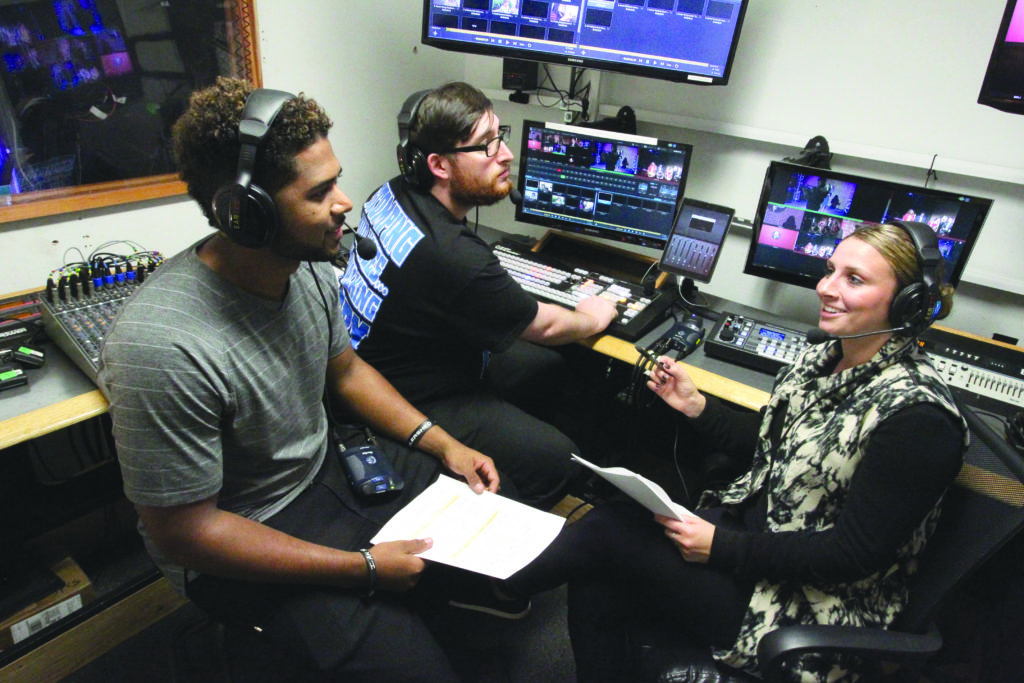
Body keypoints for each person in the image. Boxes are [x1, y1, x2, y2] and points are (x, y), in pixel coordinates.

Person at [98, 77, 507, 682]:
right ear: (247, 214)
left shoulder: (306, 265)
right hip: (242, 528)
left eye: (336, 180)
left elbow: (345, 370)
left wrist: (440, 441)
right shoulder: (161, 345)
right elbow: (188, 533)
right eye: (320, 192)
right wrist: (362, 568)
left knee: (482, 518)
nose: (344, 202)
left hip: (322, 472)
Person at [500, 222, 968, 681]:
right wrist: (697, 407)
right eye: (830, 270)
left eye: (854, 279)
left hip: (809, 607)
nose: (826, 288)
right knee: (605, 557)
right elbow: (772, 448)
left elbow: (851, 555)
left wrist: (723, 547)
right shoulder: (825, 356)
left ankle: (495, 582)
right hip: (759, 544)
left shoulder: (918, 418)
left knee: (607, 531)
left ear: (906, 303)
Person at [338, 82, 617, 508]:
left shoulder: (390, 192)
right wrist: (595, 315)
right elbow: (546, 325)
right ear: (439, 165)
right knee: (557, 459)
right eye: (486, 146)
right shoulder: (454, 256)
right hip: (407, 397)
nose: (505, 154)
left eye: (500, 136)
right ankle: (507, 513)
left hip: (387, 359)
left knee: (549, 367)